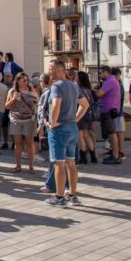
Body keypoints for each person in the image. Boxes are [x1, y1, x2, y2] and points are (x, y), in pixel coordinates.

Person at [43, 60, 89, 208]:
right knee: (71, 163)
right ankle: (73, 195)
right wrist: (74, 119)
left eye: (50, 69)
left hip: (60, 129)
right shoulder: (73, 86)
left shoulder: (57, 86)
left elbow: (56, 103)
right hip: (72, 128)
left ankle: (59, 197)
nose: (48, 72)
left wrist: (53, 122)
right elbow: (85, 105)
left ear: (58, 70)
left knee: (59, 164)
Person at [5, 72, 38, 173]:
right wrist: (13, 99)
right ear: (17, 81)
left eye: (27, 80)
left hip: (29, 120)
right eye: (23, 80)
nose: (25, 82)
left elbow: (37, 104)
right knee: (18, 144)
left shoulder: (32, 90)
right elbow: (6, 106)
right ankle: (18, 165)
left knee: (29, 143)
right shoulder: (12, 91)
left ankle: (31, 166)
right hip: (16, 119)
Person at [96, 66, 122, 164]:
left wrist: (95, 91)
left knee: (112, 134)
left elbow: (99, 94)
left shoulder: (110, 81)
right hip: (109, 110)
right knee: (111, 134)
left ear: (106, 72)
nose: (100, 75)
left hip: (109, 111)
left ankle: (115, 156)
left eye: (100, 73)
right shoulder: (112, 81)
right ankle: (114, 154)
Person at [76, 71, 97, 164]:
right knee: (87, 135)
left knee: (80, 136)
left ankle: (83, 157)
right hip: (89, 114)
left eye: (77, 77)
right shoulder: (89, 90)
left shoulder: (79, 89)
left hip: (81, 114)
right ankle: (93, 156)